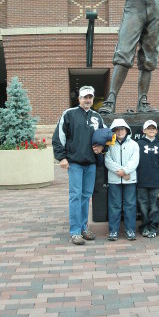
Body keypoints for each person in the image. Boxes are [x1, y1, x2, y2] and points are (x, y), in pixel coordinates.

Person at [52, 86, 104, 245]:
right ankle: (75, 231)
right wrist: (61, 158)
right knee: (75, 196)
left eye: (90, 97)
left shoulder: (97, 117)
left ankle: (83, 228)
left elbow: (105, 136)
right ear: (79, 99)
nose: (87, 100)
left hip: (91, 164)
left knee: (86, 197)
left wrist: (103, 147)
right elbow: (58, 137)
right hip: (74, 163)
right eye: (84, 97)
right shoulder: (69, 114)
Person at [105, 118, 139, 241]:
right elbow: (108, 160)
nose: (120, 132)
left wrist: (125, 171)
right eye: (117, 130)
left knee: (130, 205)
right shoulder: (109, 144)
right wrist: (120, 172)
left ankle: (130, 230)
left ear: (127, 130)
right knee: (114, 206)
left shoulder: (134, 144)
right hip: (114, 180)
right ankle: (113, 231)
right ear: (113, 131)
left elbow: (134, 161)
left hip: (130, 180)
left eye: (122, 129)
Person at [136, 120, 159, 238]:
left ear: (156, 131)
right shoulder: (138, 144)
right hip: (141, 180)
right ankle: (145, 226)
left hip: (156, 180)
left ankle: (153, 227)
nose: (151, 130)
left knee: (154, 205)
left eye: (153, 128)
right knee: (143, 204)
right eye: (149, 128)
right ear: (144, 130)